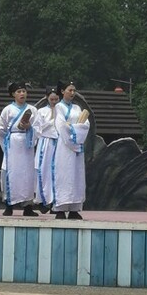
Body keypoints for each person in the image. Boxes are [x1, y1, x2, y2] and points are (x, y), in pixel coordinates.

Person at [0, 81, 37, 216]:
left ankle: (28, 206)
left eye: (24, 91)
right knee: (11, 171)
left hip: (27, 143)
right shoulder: (8, 110)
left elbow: (39, 128)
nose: (22, 94)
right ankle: (9, 204)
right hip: (13, 143)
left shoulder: (32, 109)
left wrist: (29, 128)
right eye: (19, 92)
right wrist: (6, 144)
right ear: (13, 94)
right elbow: (0, 130)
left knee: (27, 173)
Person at [52, 81, 90, 220]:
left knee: (77, 175)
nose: (73, 93)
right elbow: (61, 125)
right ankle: (61, 208)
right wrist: (75, 130)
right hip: (64, 145)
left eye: (74, 90)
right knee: (63, 174)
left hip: (77, 146)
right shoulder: (59, 107)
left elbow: (86, 124)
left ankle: (74, 208)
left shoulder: (77, 108)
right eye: (70, 90)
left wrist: (75, 129)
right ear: (63, 91)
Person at [32, 88, 60, 214]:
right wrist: (51, 122)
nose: (54, 101)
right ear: (47, 98)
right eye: (51, 99)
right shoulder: (41, 111)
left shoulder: (62, 110)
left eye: (56, 99)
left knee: (56, 172)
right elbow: (38, 128)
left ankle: (55, 202)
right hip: (46, 142)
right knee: (43, 170)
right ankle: (42, 200)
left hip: (58, 142)